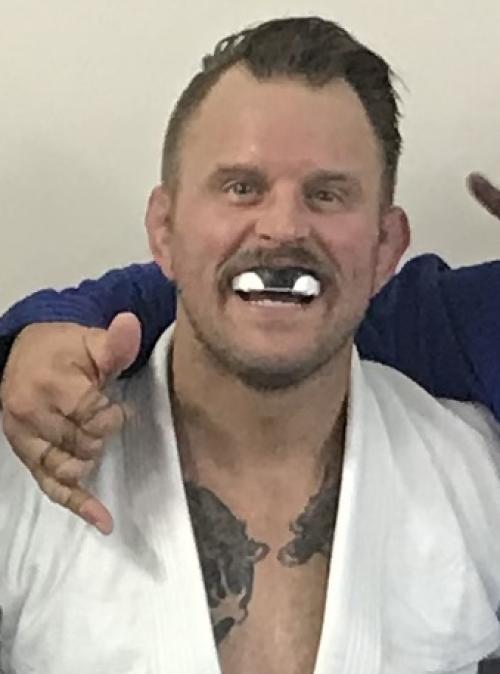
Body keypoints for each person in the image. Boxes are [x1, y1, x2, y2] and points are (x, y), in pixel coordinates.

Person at [1, 16, 500, 673]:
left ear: (387, 247)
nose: (283, 226)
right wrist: (41, 330)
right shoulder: (26, 473)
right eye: (241, 188)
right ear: (164, 229)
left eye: (327, 194)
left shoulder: (477, 474)